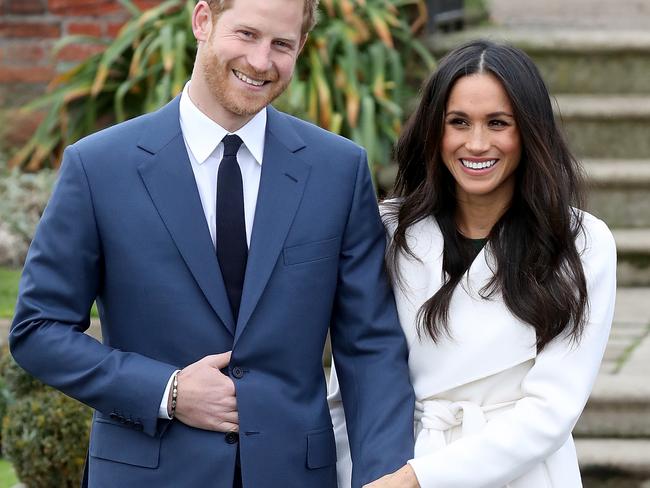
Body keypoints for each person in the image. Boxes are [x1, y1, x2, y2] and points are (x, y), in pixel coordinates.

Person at [8, 0, 415, 486]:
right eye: (246, 34)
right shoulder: (98, 167)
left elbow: (370, 346)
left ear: (301, 46)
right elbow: (38, 328)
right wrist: (168, 390)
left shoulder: (338, 171)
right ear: (203, 21)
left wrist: (385, 477)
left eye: (281, 44)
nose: (262, 61)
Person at [329, 39, 617, 487]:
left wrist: (419, 479)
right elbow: (350, 385)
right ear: (433, 131)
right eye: (458, 122)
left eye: (498, 123)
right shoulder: (388, 229)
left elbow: (551, 411)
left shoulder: (580, 242)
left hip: (520, 473)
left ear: (530, 131)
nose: (477, 144)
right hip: (392, 462)